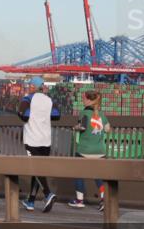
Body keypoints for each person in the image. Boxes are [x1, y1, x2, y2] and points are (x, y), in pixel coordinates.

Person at [19, 76, 61, 213]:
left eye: (29, 85)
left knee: (36, 169)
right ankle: (30, 201)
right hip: (46, 140)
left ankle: (48, 194)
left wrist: (21, 112)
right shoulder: (49, 100)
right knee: (37, 171)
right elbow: (56, 115)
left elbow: (24, 115)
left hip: (32, 139)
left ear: (32, 86)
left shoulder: (28, 99)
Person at [69, 90, 109, 211]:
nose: (82, 100)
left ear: (88, 99)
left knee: (79, 174)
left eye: (83, 98)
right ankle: (103, 199)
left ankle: (79, 200)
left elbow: (83, 127)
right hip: (100, 151)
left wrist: (75, 128)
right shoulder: (101, 114)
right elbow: (107, 129)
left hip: (85, 150)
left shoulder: (84, 112)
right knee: (98, 176)